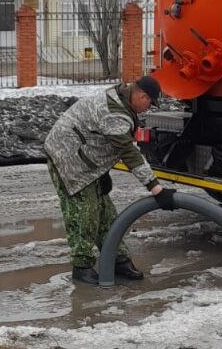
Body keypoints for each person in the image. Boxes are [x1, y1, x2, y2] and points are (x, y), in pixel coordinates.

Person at [44, 76, 176, 285]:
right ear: (142, 96)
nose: (149, 107)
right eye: (150, 102)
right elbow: (129, 152)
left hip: (84, 157)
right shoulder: (115, 113)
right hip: (67, 158)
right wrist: (156, 189)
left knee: (106, 213)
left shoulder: (121, 99)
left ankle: (118, 259)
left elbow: (99, 138)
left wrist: (102, 173)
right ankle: (81, 266)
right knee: (86, 213)